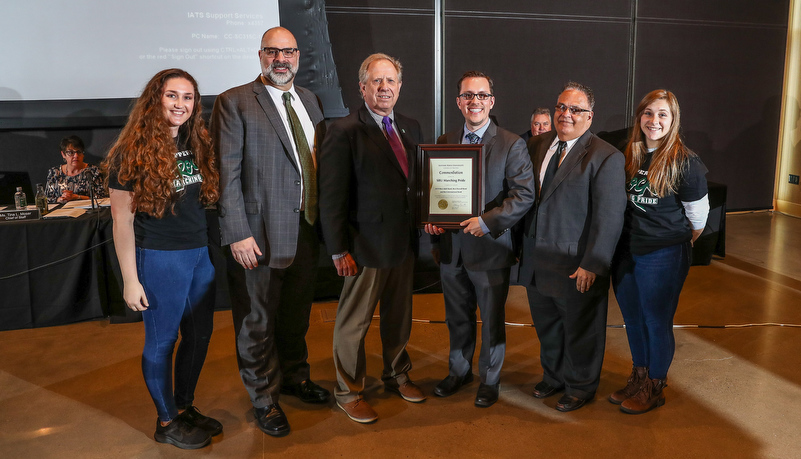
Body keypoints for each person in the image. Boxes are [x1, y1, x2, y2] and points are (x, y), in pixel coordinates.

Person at [210, 26, 329, 438]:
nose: (282, 60)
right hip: (256, 236)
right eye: (272, 52)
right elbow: (227, 175)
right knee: (256, 321)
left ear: (298, 56)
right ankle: (263, 397)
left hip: (306, 230)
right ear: (260, 55)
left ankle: (295, 378)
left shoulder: (310, 100)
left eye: (289, 52)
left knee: (296, 317)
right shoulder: (235, 101)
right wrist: (236, 232)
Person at [105, 68, 221, 449]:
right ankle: (166, 421)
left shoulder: (196, 141)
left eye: (188, 97)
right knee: (162, 341)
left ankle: (184, 406)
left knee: (199, 336)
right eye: (172, 95)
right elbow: (122, 222)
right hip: (159, 259)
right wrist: (130, 279)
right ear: (156, 98)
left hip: (199, 256)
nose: (180, 104)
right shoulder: (130, 152)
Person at [318, 53, 424, 424]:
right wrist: (338, 250)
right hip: (363, 247)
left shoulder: (411, 126)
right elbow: (330, 198)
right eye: (376, 81)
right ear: (362, 88)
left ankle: (397, 374)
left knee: (399, 317)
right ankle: (349, 391)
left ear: (399, 86)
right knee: (354, 324)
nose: (384, 88)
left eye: (390, 81)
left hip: (403, 243)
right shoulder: (344, 131)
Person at [425, 71, 534, 408]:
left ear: (492, 101)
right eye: (468, 95)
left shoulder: (511, 143)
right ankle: (458, 371)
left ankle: (490, 378)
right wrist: (431, 220)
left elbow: (524, 195)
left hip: (489, 248)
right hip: (451, 251)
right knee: (456, 317)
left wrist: (487, 223)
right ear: (458, 102)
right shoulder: (444, 142)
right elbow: (434, 191)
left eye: (482, 95)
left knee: (491, 320)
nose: (475, 102)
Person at [518, 81, 626, 412]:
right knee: (547, 326)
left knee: (581, 330)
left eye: (575, 109)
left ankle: (580, 385)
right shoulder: (537, 145)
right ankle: (554, 376)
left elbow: (609, 217)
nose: (566, 114)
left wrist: (593, 263)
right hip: (538, 261)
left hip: (576, 265)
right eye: (561, 107)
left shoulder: (606, 157)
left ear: (589, 117)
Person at [609, 89, 709, 414]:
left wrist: (674, 242)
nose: (654, 121)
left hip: (663, 254)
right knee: (632, 319)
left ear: (673, 119)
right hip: (625, 250)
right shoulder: (629, 154)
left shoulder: (687, 163)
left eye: (662, 114)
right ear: (640, 116)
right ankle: (639, 376)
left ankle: (655, 385)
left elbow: (698, 219)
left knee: (656, 320)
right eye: (649, 113)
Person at [46, 135, 107, 203]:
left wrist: (76, 197)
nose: (76, 156)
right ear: (63, 154)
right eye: (71, 152)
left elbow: (102, 197)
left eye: (79, 152)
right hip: (61, 211)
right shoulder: (54, 172)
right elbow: (47, 199)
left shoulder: (93, 171)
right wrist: (60, 199)